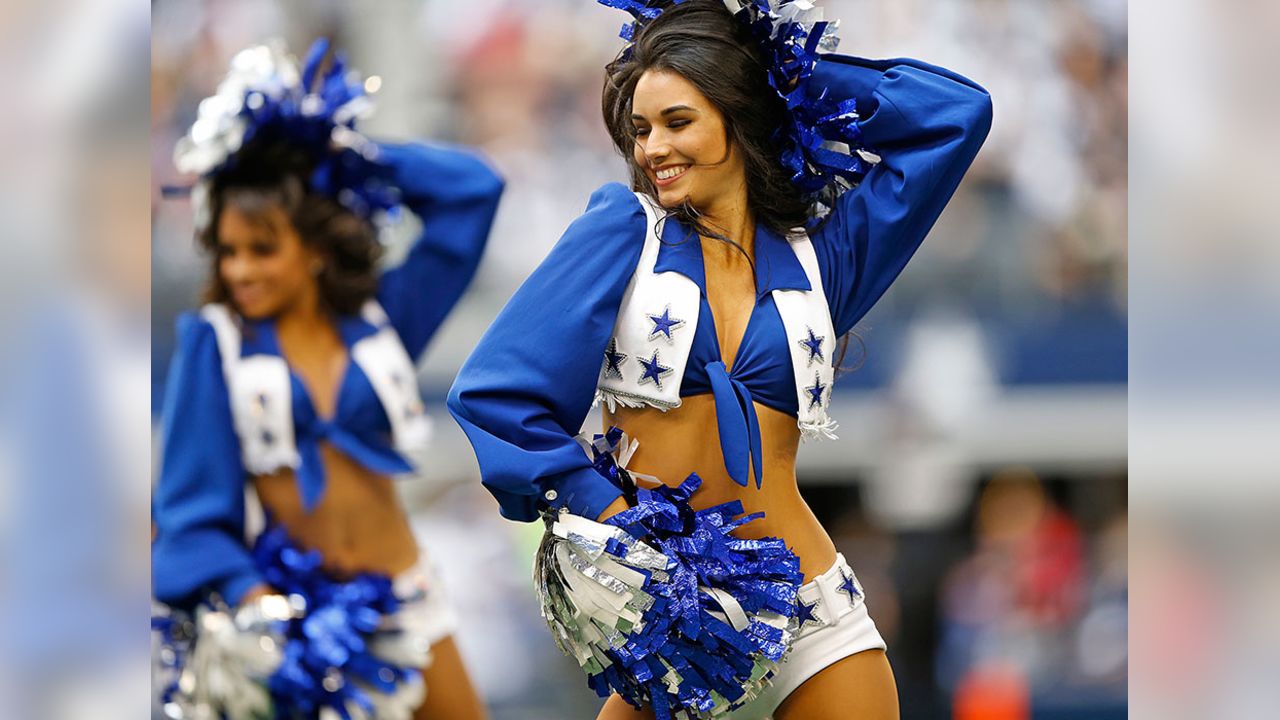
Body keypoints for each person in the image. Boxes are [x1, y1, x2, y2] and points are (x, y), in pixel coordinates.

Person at [448, 1, 991, 718]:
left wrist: (776, 67)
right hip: (673, 616)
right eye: (640, 130)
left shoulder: (822, 262)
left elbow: (956, 115)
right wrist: (611, 518)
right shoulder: (624, 231)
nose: (652, 149)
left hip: (810, 601)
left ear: (738, 116)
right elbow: (495, 393)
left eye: (678, 122)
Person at [151, 39, 502, 720]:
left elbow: (474, 193)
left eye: (262, 249)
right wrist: (253, 602)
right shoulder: (215, 345)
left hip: (407, 593)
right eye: (226, 252)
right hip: (300, 622)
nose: (239, 271)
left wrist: (332, 152)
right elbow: (191, 513)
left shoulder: (382, 321)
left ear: (313, 249)